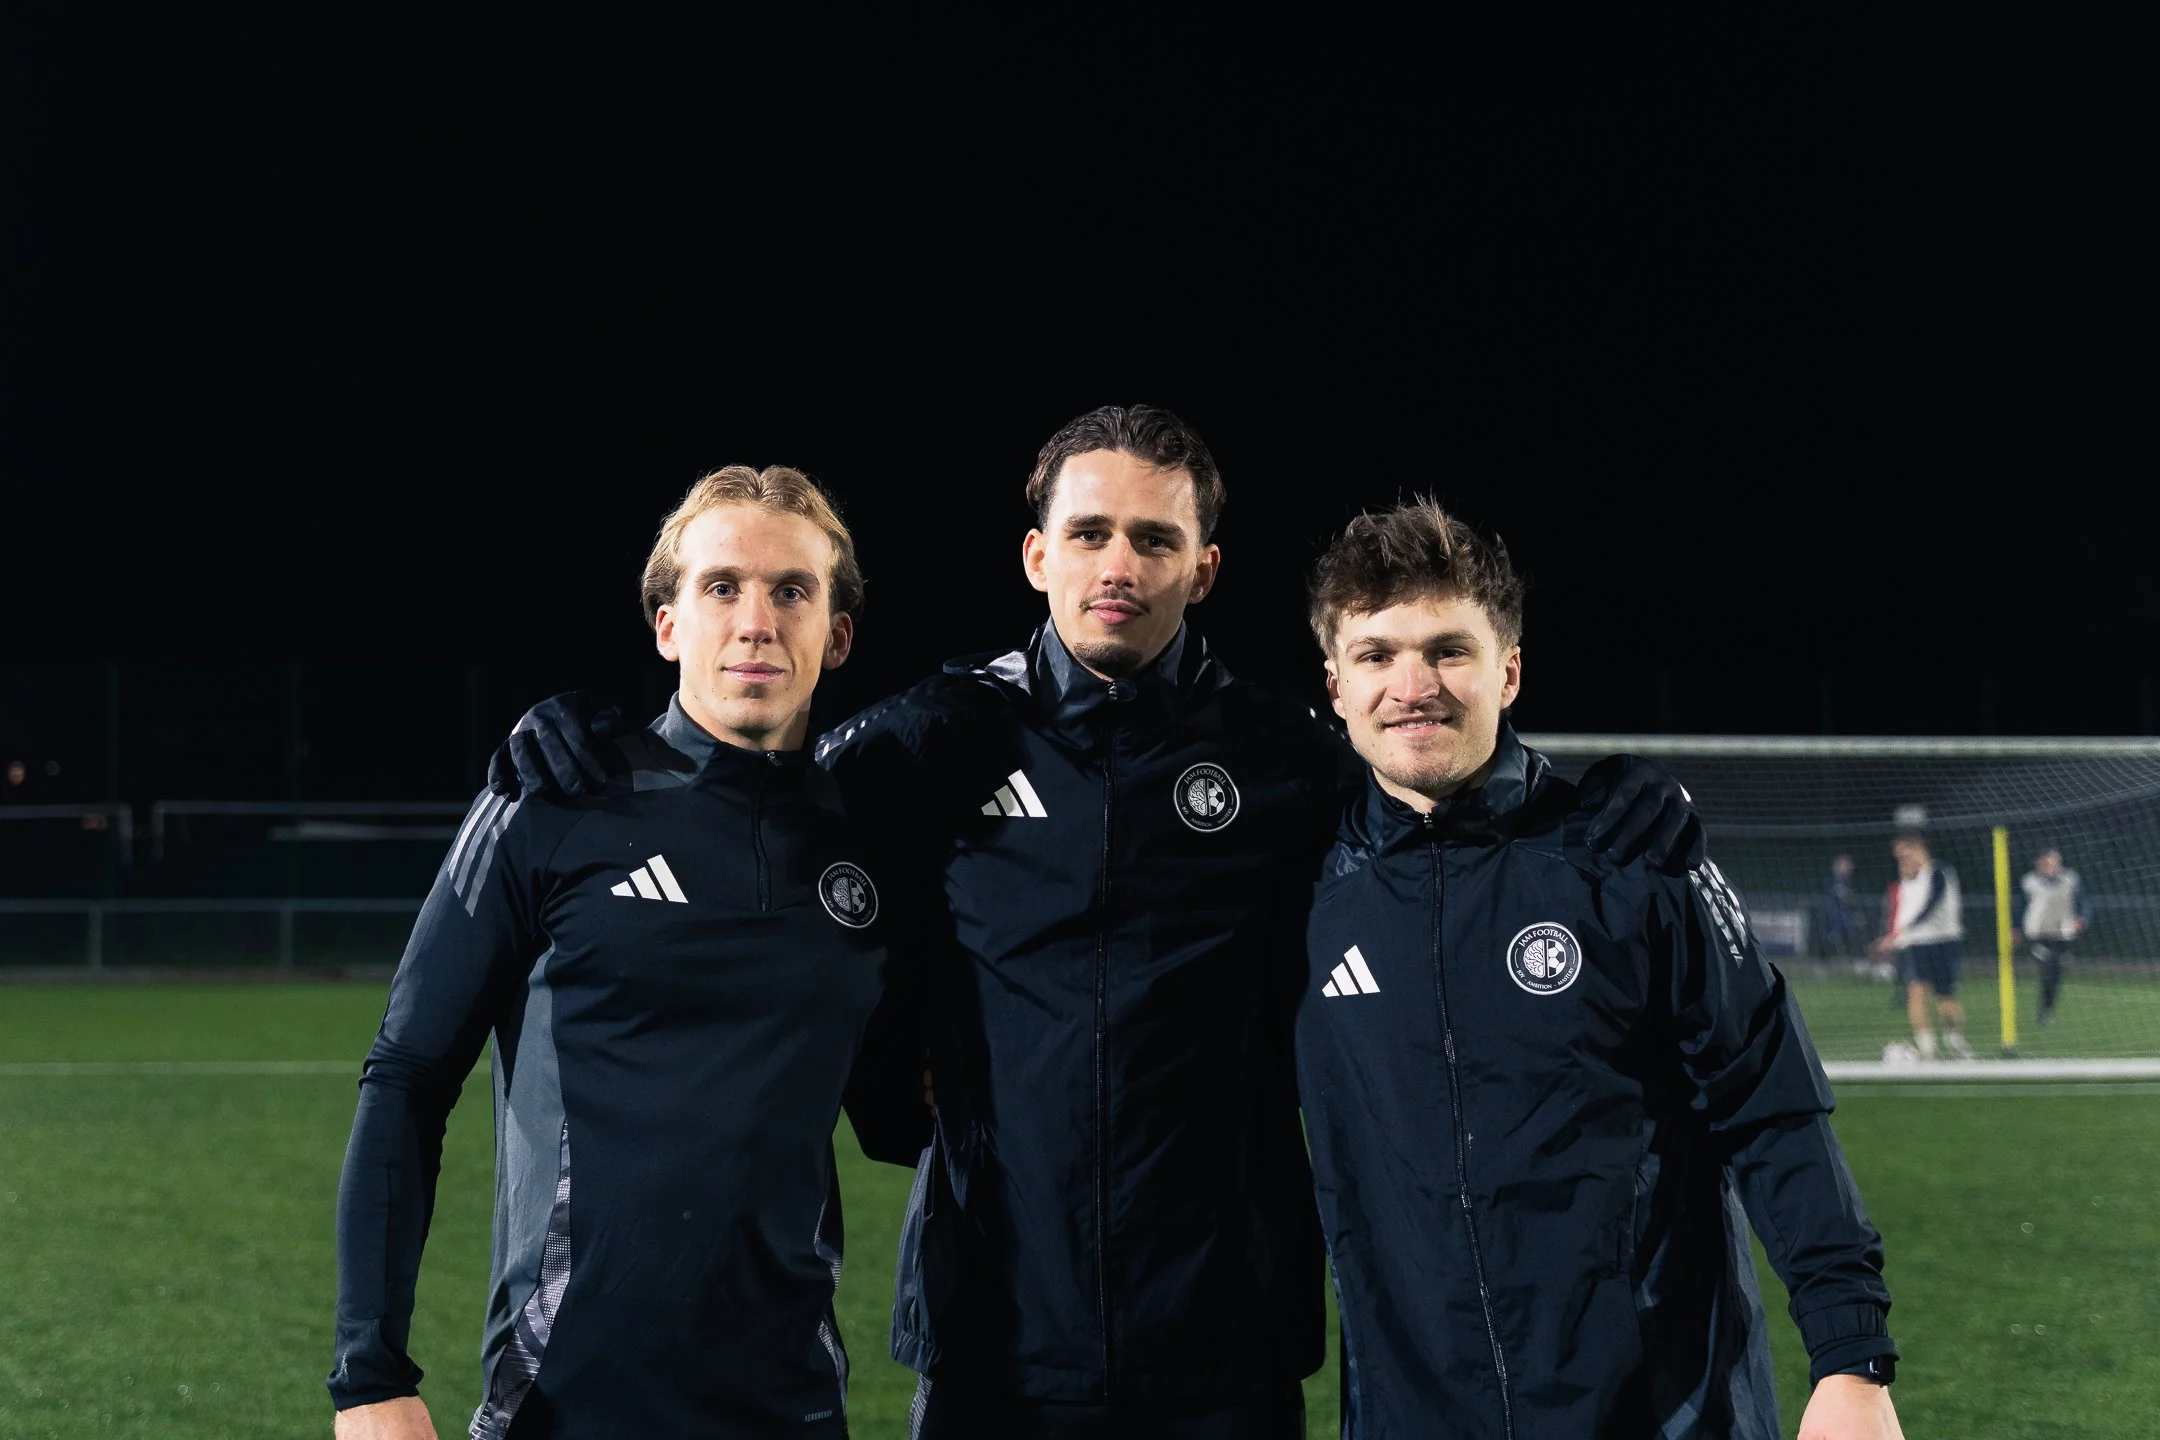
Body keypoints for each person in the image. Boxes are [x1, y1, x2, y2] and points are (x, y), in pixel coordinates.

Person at [493, 406, 1701, 1439]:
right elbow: (757, 806)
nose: (1119, 561)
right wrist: (601, 740)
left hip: (1225, 1335)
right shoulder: (930, 742)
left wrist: (1588, 796)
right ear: (1036, 554)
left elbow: (1438, 804)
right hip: (996, 1332)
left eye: (1155, 538)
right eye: (1090, 533)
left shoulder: (1287, 759)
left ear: (1204, 568)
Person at [328, 467, 926, 1439]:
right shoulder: (552, 799)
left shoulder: (873, 850)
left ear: (839, 632)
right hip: (562, 1405)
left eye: (792, 590)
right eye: (721, 587)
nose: (756, 620)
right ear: (667, 624)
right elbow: (405, 1077)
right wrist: (369, 1376)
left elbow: (897, 1111)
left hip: (795, 1409)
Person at [1294, 499, 1901, 1439]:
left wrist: (1851, 1357)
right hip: (1415, 1413)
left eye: (1450, 650)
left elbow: (1769, 1104)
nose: (1413, 684)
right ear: (1335, 686)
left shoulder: (1632, 858)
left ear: (1511, 671)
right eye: (1377, 655)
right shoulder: (1296, 890)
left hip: (1660, 1409)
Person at [1869, 833, 1973, 1060]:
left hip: (1943, 942)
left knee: (1946, 998)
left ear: (1919, 849)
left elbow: (1930, 905)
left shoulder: (1939, 872)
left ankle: (1955, 1041)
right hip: (1917, 945)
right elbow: (1903, 914)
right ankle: (1928, 1052)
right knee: (1916, 993)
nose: (1902, 860)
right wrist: (1893, 937)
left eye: (1905, 853)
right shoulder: (1907, 880)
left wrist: (1902, 931)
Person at [2016, 847, 2090, 1028]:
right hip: (2037, 935)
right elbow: (2018, 906)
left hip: (2061, 935)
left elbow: (2084, 903)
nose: (2051, 865)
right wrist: (2016, 927)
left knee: (2053, 975)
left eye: (2055, 861)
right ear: (2039, 863)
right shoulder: (2029, 882)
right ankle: (2046, 1009)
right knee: (2049, 966)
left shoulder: (2070, 880)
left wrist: (2083, 917)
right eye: (2047, 862)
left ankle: (2047, 1010)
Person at [1819, 853, 1868, 958]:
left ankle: (1851, 957)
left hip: (1846, 917)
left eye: (1849, 865)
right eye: (1845, 865)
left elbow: (1850, 901)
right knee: (1832, 938)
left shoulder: (1850, 882)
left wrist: (1856, 914)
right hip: (1833, 917)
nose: (1849, 868)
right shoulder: (1831, 882)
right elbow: (1840, 897)